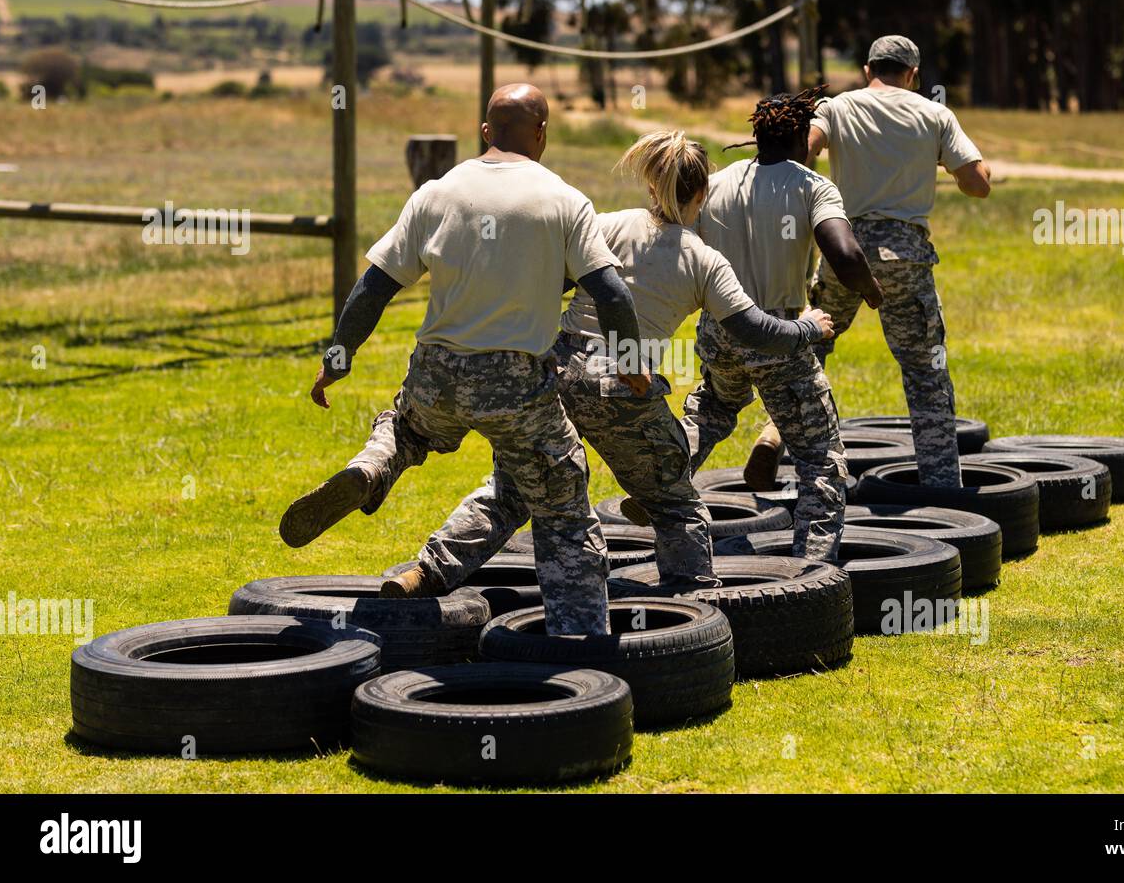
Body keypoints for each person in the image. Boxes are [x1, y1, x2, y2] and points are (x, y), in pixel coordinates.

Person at [278, 83, 646, 635]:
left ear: (484, 131)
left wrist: (337, 358)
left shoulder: (437, 192)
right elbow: (612, 293)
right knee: (563, 508)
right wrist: (631, 361)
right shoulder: (564, 200)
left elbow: (374, 286)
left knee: (406, 429)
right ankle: (580, 641)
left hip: (437, 372)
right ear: (542, 132)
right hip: (516, 385)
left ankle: (371, 468)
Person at [413, 129, 836, 585]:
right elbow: (755, 330)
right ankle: (692, 615)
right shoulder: (705, 261)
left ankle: (428, 571)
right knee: (676, 506)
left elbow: (547, 283)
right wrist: (806, 328)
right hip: (625, 383)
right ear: (702, 195)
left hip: (559, 371)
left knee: (512, 488)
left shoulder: (607, 225)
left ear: (652, 187)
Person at [680, 87, 883, 562]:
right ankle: (812, 575)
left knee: (711, 408)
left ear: (756, 135)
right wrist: (870, 290)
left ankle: (661, 480)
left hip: (720, 327)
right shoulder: (811, 186)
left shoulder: (718, 182)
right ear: (800, 138)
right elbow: (846, 255)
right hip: (778, 332)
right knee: (820, 459)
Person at [806, 35, 991, 488]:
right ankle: (942, 485)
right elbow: (977, 184)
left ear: (869, 70)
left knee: (809, 350)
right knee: (925, 370)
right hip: (905, 254)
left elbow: (804, 149)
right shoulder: (934, 113)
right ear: (912, 74)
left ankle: (789, 450)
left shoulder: (835, 107)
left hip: (843, 247)